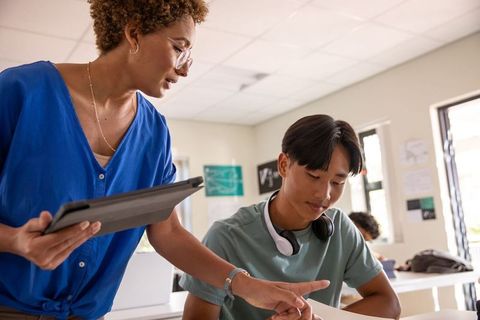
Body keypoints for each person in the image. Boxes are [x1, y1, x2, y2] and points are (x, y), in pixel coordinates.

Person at [0, 1, 328, 319]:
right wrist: (15, 241)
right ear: (134, 34)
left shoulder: (154, 131)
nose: (185, 68)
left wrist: (246, 285)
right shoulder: (20, 92)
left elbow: (167, 231)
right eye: (179, 48)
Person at [180, 115, 401, 320]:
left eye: (337, 182)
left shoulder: (341, 228)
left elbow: (389, 304)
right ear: (284, 165)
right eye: (314, 176)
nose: (324, 194)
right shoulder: (226, 237)